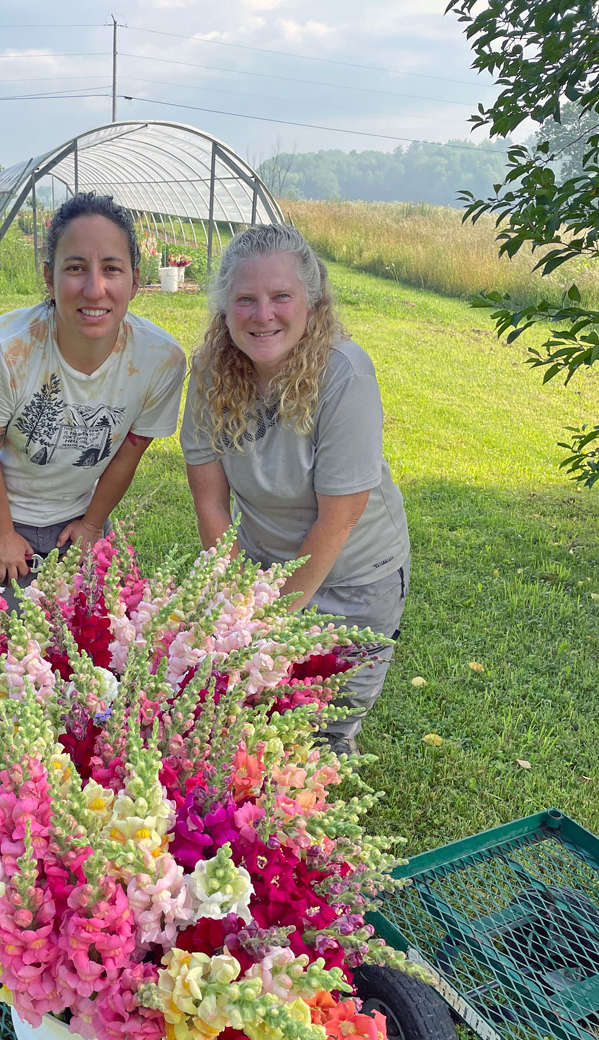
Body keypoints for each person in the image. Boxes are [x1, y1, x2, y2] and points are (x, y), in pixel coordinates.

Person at [180, 224, 410, 755]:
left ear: (313, 301)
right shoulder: (209, 371)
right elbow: (210, 503)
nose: (264, 315)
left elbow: (339, 518)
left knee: (322, 729)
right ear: (224, 307)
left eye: (281, 296)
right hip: (262, 566)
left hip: (355, 578)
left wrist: (270, 619)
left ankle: (319, 830)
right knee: (255, 713)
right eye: (246, 299)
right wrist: (242, 600)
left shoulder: (344, 375)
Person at [0, 192, 187, 588]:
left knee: (94, 630)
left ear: (136, 282)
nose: (94, 288)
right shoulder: (2, 350)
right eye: (75, 268)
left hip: (76, 512)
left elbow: (127, 454)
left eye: (112, 268)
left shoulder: (161, 360)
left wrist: (91, 525)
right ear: (49, 278)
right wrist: (1, 534)